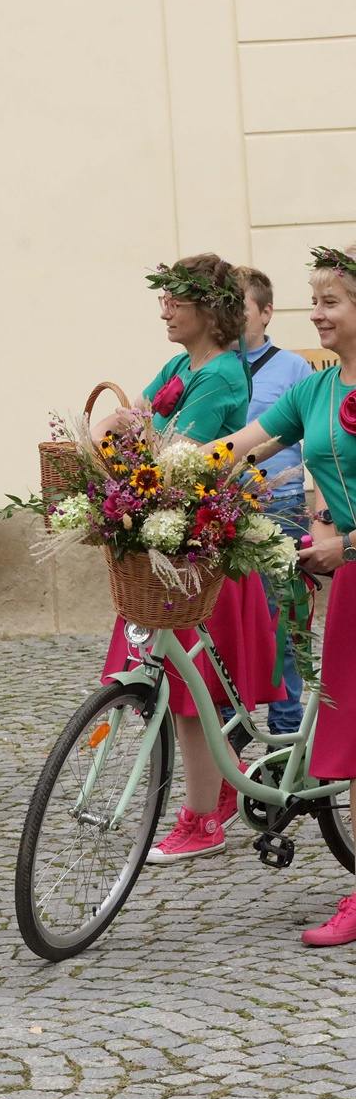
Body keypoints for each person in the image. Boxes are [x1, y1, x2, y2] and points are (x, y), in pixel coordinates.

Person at [94, 253, 279, 862]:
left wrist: (132, 432)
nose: (165, 307)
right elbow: (141, 415)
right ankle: (211, 795)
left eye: (177, 298)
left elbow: (177, 455)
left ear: (212, 309)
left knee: (194, 695)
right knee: (184, 692)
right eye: (165, 297)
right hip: (172, 541)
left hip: (196, 551)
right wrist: (124, 422)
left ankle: (203, 818)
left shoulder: (222, 373)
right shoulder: (181, 363)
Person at [215, 243, 356, 943]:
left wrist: (346, 541)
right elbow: (242, 445)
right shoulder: (319, 389)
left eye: (330, 302)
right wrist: (164, 474)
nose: (316, 314)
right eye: (316, 300)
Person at [226, 266, 313, 742]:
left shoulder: (295, 368)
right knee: (231, 625)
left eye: (240, 308)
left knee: (281, 622)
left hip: (279, 509)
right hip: (221, 512)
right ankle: (232, 726)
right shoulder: (215, 366)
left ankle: (286, 726)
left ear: (266, 312)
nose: (232, 318)